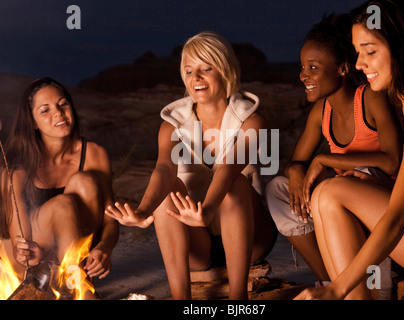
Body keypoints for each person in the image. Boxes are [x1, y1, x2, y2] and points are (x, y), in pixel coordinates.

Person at [105, 31, 277, 300]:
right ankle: (181, 299)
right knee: (167, 192)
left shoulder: (251, 120)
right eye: (189, 70)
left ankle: (237, 301)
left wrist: (207, 210)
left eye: (205, 68)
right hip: (199, 242)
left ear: (226, 70)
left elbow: (229, 167)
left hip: (252, 238)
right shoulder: (171, 124)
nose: (195, 78)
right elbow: (164, 169)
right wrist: (143, 211)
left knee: (235, 182)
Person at [297, 0, 404, 300]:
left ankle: (343, 293)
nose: (359, 64)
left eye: (370, 51)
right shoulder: (402, 101)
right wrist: (378, 187)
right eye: (357, 53)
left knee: (331, 193)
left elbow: (397, 218)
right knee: (327, 194)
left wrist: (336, 289)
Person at [265, 14, 402, 287]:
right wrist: (294, 172)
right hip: (342, 207)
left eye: (313, 67)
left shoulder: (371, 99)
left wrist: (328, 158)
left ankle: (381, 279)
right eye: (302, 66)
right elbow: (297, 162)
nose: (303, 75)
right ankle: (329, 281)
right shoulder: (321, 112)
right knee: (277, 190)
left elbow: (394, 162)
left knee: (359, 173)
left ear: (342, 68)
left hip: (388, 209)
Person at [0, 77, 119, 287]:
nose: (58, 113)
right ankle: (76, 288)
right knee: (63, 205)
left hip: (73, 254)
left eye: (63, 104)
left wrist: (104, 249)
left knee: (85, 181)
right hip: (29, 261)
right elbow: (21, 244)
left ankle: (72, 278)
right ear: (32, 122)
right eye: (45, 110)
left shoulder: (93, 154)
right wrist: (26, 253)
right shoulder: (17, 166)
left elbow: (110, 219)